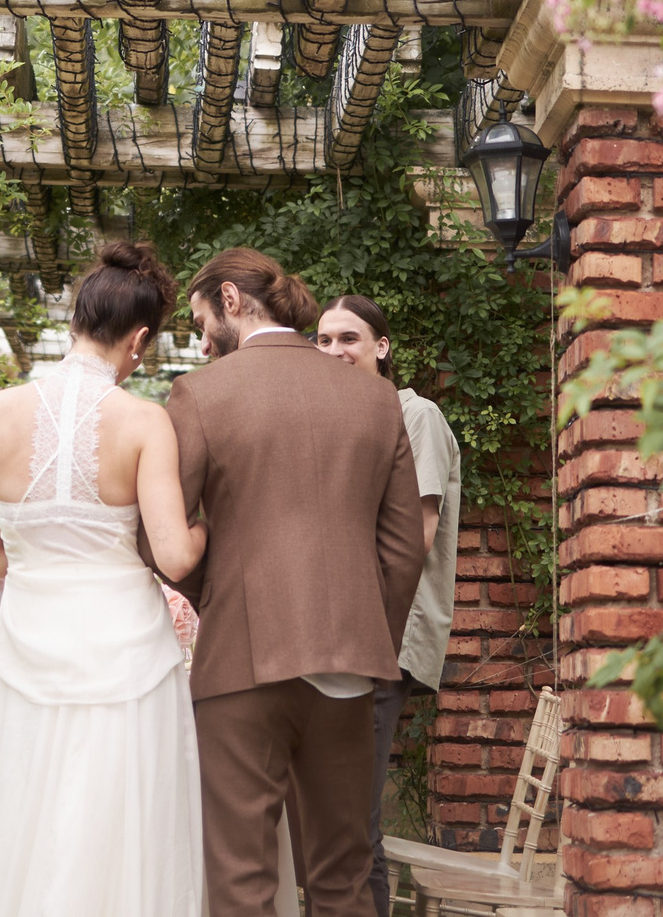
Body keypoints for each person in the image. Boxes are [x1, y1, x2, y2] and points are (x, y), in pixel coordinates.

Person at [165, 250, 427, 917]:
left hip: (241, 664)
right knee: (344, 877)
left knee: (242, 881)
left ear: (230, 299)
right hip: (350, 665)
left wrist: (222, 597)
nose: (202, 341)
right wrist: (368, 639)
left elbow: (163, 535)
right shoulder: (376, 397)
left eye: (200, 322)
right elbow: (403, 550)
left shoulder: (200, 393)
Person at [0, 243, 209, 917]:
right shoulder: (145, 420)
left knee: (26, 825)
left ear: (75, 319)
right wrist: (212, 521)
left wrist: (46, 557)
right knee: (123, 831)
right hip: (128, 656)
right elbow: (177, 556)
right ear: (140, 339)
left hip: (28, 648)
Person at [314, 295, 462, 917]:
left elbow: (415, 539)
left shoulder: (415, 415)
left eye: (349, 338)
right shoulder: (343, 420)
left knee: (355, 821)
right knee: (339, 817)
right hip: (345, 637)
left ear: (382, 346)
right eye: (323, 340)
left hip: (385, 636)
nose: (334, 351)